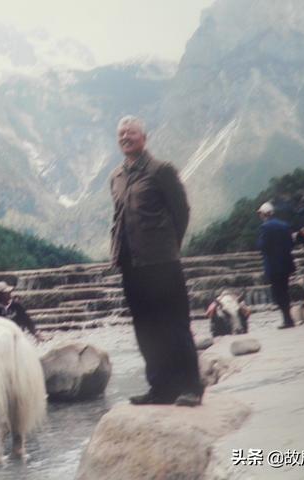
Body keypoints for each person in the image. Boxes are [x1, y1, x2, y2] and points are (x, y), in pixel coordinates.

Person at [109, 115, 203, 407]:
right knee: (146, 328)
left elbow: (181, 212)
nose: (126, 137)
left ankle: (191, 388)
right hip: (131, 265)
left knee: (175, 324)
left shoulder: (161, 170)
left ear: (144, 137)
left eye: (132, 133)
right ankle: (160, 388)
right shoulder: (116, 177)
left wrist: (168, 247)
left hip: (162, 263)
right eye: (122, 134)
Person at [256, 202, 296, 329]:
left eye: (261, 214)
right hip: (286, 263)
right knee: (285, 291)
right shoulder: (284, 225)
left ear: (264, 214)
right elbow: (291, 243)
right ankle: (288, 318)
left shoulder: (265, 227)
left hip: (273, 265)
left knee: (278, 293)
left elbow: (262, 246)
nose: (260, 216)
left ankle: (287, 319)